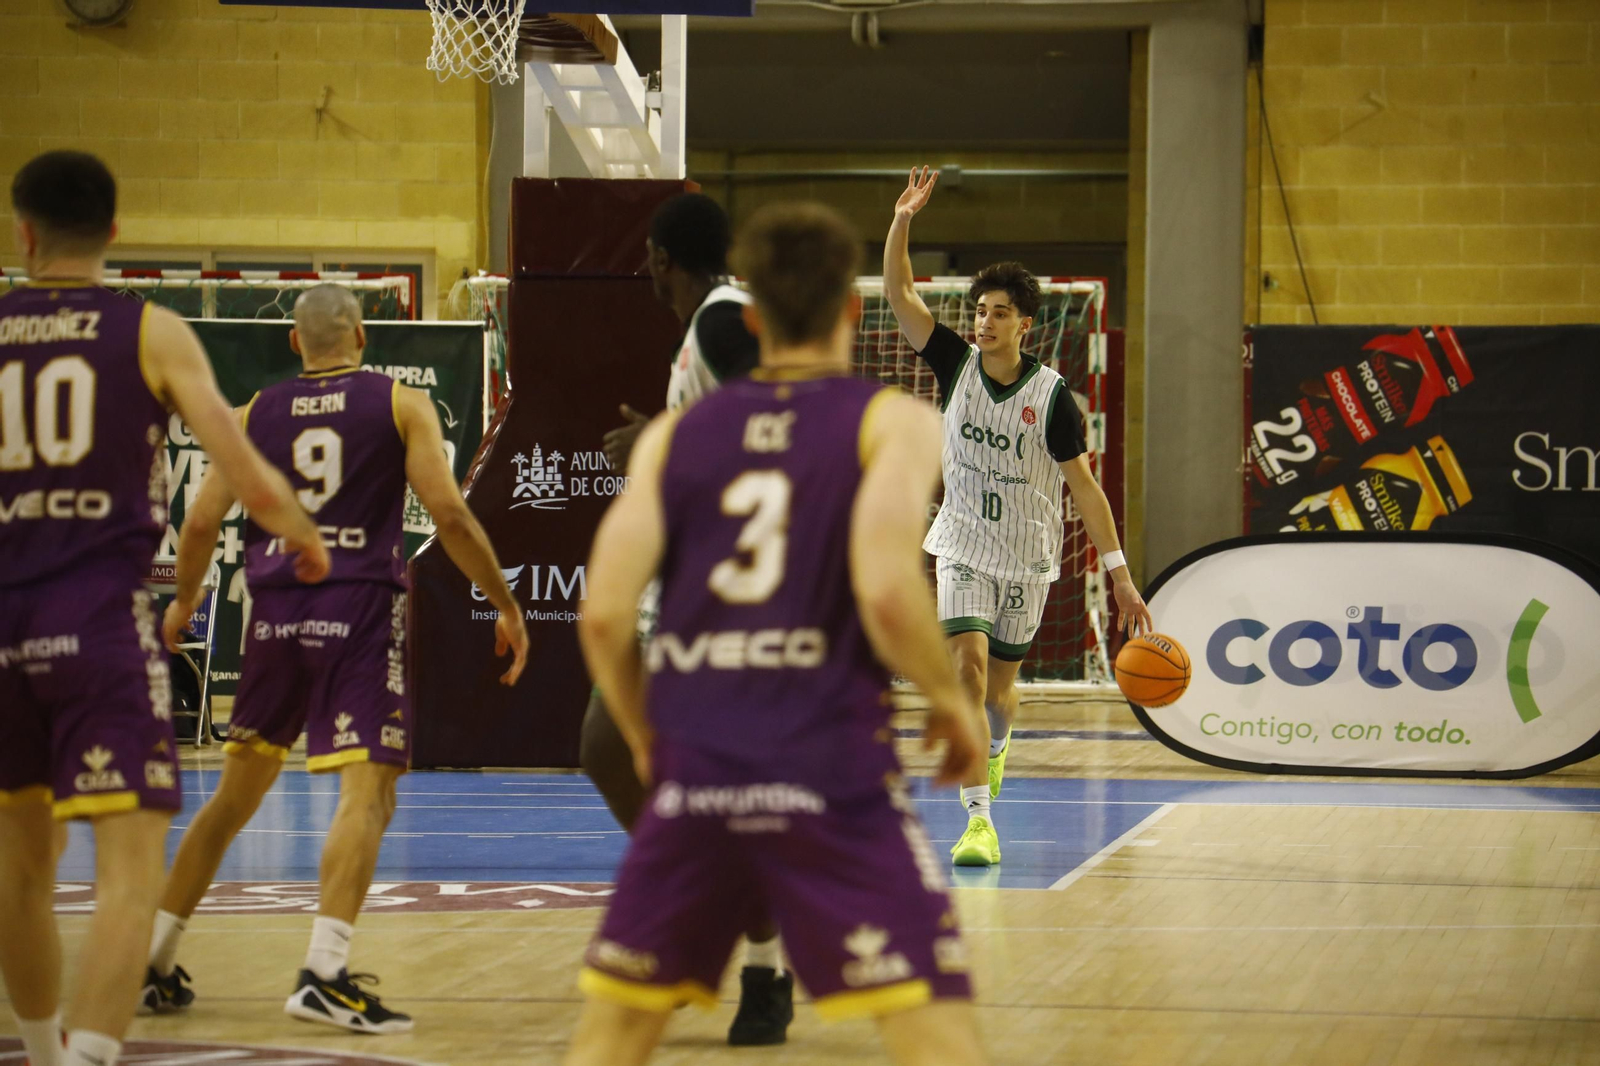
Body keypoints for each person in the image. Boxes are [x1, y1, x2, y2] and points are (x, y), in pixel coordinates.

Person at [569, 201, 988, 1066]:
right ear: (853, 311)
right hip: (830, 761)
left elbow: (604, 612)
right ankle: (767, 967)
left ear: (750, 315)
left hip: (700, 765)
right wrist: (949, 701)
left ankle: (760, 968)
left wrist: (648, 738)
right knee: (934, 1028)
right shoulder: (892, 422)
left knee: (610, 1039)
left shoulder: (675, 440)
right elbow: (884, 587)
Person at [0, 150, 329, 1066]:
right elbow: (241, 465)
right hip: (96, 620)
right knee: (126, 876)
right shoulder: (148, 330)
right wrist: (302, 535)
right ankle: (90, 1058)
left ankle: (34, 1044)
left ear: (23, 233)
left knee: (18, 879)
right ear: (113, 233)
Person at [142, 284, 529, 1033]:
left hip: (275, 615)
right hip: (357, 611)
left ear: (294, 343)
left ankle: (152, 959)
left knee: (231, 801)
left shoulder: (254, 412)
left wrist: (186, 604)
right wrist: (506, 605)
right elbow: (448, 514)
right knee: (369, 793)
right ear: (361, 335)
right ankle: (323, 972)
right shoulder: (398, 404)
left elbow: (198, 519)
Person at [884, 167, 1152, 868]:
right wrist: (903, 219)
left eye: (1000, 312)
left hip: (1028, 557)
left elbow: (1087, 493)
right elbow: (900, 293)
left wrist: (1120, 576)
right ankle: (978, 822)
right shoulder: (954, 364)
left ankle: (996, 750)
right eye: (980, 309)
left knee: (1002, 692)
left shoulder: (1054, 400)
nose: (985, 320)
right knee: (966, 673)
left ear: (1025, 324)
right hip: (964, 546)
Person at [583, 193, 793, 1044]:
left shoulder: (723, 318)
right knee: (611, 749)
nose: (643, 268)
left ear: (665, 257)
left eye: (648, 254)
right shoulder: (709, 330)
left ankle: (764, 969)